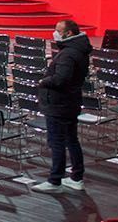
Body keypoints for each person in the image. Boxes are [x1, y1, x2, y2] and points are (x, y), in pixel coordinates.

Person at [34, 19, 90, 193]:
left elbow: (60, 79)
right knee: (71, 140)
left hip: (59, 104)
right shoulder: (77, 50)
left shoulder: (68, 54)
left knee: (57, 142)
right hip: (69, 103)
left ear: (69, 33)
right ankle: (76, 177)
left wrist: (43, 81)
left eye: (58, 30)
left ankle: (55, 180)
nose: (55, 32)